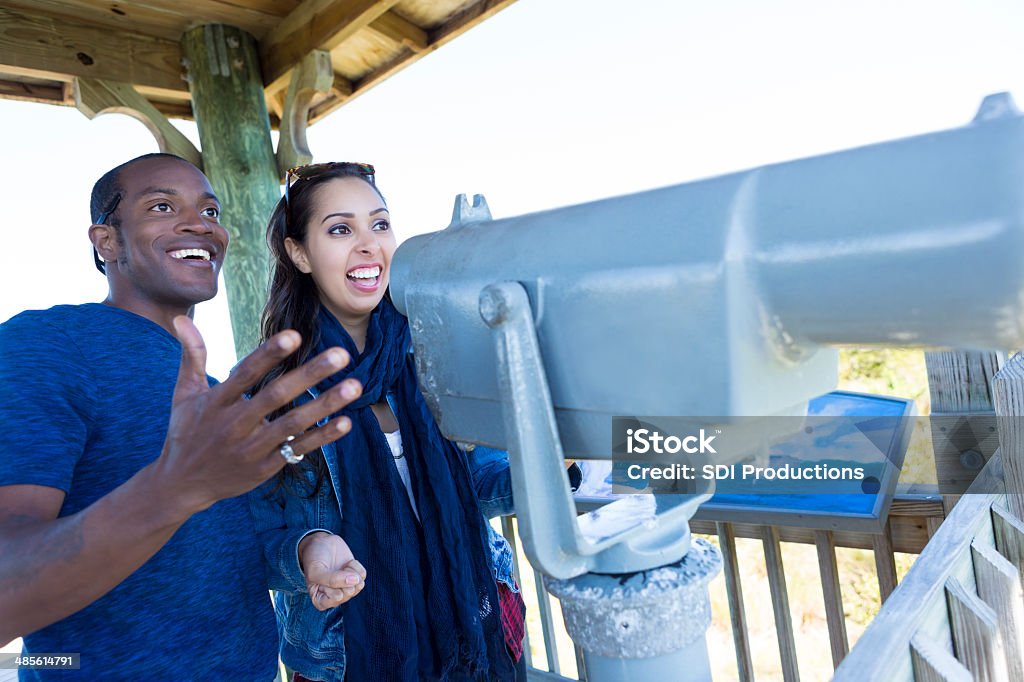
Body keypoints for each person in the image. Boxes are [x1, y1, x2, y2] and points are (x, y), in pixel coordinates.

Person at [0, 153, 367, 680]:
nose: (201, 224)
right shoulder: (44, 346)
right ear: (106, 241)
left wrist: (305, 551)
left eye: (211, 212)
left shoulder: (219, 401)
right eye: (162, 206)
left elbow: (219, 549)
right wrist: (173, 489)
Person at [247, 162, 525, 682]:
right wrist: (307, 551)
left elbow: (483, 483)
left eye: (379, 224)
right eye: (340, 229)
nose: (368, 245)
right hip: (348, 654)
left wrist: (562, 459)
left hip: (479, 624)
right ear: (298, 253)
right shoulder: (273, 394)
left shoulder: (435, 357)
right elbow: (254, 539)